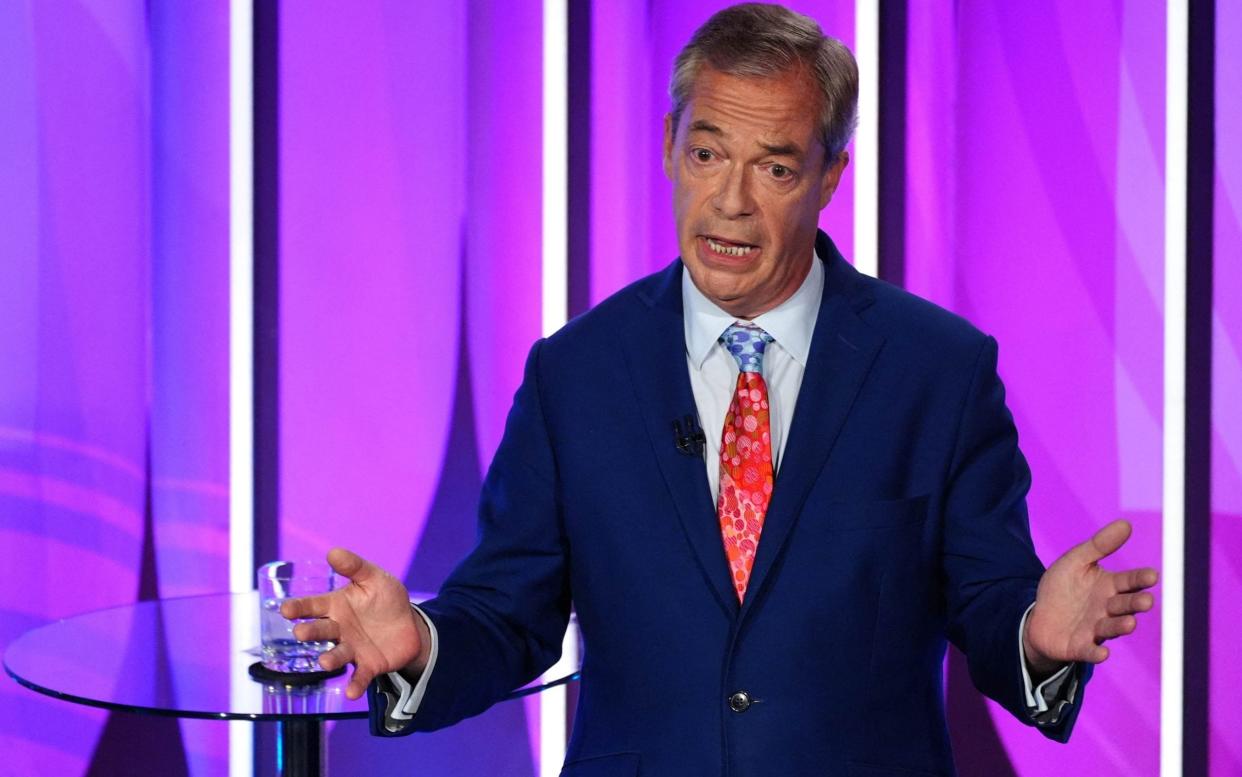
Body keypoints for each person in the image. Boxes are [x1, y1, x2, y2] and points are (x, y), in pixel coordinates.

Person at [282, 5, 1158, 775]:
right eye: (707, 152)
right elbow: (507, 612)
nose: (730, 200)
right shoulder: (576, 374)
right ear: (670, 148)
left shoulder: (938, 369)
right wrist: (419, 645)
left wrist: (1036, 637)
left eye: (774, 168)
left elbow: (988, 595)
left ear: (828, 178)